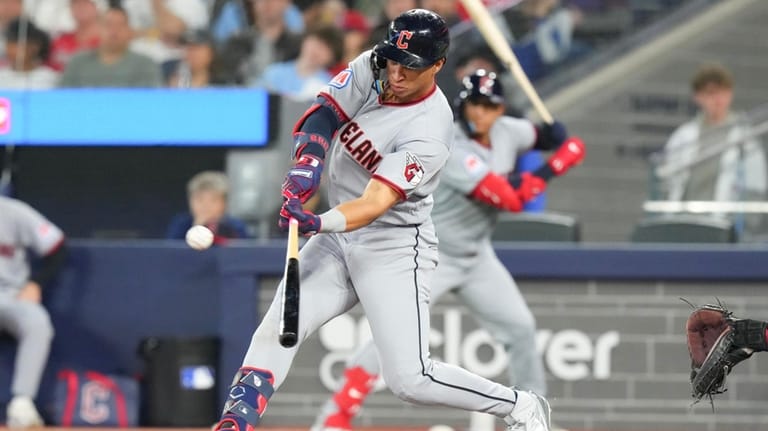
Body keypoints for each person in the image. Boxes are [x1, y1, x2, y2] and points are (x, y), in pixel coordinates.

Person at [212, 9, 553, 431]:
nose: (397, 73)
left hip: (393, 246)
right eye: (394, 59)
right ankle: (237, 419)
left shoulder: (431, 129)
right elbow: (324, 113)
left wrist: (318, 222)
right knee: (283, 325)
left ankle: (520, 405)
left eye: (411, 66)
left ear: (438, 65)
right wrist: (308, 163)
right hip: (337, 237)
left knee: (411, 380)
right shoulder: (374, 65)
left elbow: (374, 203)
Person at [310, 69, 584, 431]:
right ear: (462, 106)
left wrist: (553, 136)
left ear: (501, 110)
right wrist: (558, 164)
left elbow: (538, 135)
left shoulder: (507, 130)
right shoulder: (450, 143)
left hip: (476, 255)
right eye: (474, 105)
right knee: (393, 337)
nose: (481, 113)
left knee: (521, 329)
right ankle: (336, 415)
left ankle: (533, 417)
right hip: (429, 252)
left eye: (489, 106)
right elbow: (511, 198)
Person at [655, 64, 767, 238]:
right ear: (698, 97)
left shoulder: (745, 138)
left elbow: (756, 188)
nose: (717, 99)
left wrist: (744, 229)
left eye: (723, 92)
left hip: (726, 230)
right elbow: (666, 183)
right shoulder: (683, 137)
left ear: (730, 94)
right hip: (685, 225)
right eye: (710, 93)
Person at [0, 196, 67, 428]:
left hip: (11, 295)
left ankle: (21, 404)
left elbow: (57, 246)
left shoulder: (13, 211)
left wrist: (36, 283)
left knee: (37, 322)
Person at [59, 6, 162, 88]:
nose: (114, 30)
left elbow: (154, 100)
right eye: (108, 24)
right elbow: (62, 97)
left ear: (129, 30)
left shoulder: (145, 65)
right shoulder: (78, 62)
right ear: (98, 29)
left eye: (120, 25)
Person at [253, 26, 343, 101]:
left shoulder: (329, 87)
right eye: (316, 42)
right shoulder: (274, 72)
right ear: (305, 40)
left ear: (332, 59)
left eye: (325, 49)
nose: (317, 51)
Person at [166, 171, 249, 241]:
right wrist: (197, 228)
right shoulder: (181, 224)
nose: (206, 205)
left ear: (224, 203)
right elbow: (171, 251)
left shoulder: (236, 227)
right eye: (199, 199)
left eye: (213, 200)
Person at [0, 18, 59, 89]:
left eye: (17, 44)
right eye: (9, 44)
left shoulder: (50, 79)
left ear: (34, 46)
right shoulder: (2, 77)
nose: (11, 50)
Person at [49, 0, 104, 71]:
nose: (80, 7)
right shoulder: (60, 40)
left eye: (85, 3)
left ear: (97, 7)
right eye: (75, 3)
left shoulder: (106, 43)